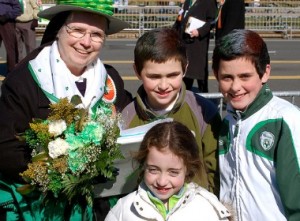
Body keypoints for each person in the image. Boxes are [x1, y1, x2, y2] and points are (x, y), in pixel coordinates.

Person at [0, 0, 132, 220]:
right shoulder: (24, 80)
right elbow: (6, 150)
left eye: (96, 34)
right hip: (42, 207)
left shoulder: (111, 79)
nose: (86, 42)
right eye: (77, 31)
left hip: (100, 206)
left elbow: (129, 122)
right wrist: (59, 169)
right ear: (59, 31)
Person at [212, 29, 300, 220]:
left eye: (245, 77)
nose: (235, 87)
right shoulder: (227, 122)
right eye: (227, 77)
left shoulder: (285, 120)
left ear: (265, 72)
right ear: (216, 75)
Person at [120, 28, 221, 195]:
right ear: (137, 71)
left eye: (173, 75)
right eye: (154, 77)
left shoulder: (204, 112)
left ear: (185, 68)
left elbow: (215, 172)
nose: (164, 85)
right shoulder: (127, 117)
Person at [105, 121, 232, 221]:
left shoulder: (207, 210)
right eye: (153, 170)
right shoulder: (124, 210)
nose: (162, 181)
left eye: (173, 172)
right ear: (143, 165)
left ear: (188, 168)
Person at [173, 0, 216, 92]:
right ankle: (185, 97)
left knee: (200, 74)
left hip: (198, 44)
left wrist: (199, 31)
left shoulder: (209, 2)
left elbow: (212, 21)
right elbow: (181, 19)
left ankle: (205, 98)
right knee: (186, 73)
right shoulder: (188, 1)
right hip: (184, 42)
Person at [0, 0, 22, 74]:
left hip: (6, 22)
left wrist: (7, 16)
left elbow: (18, 10)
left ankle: (11, 72)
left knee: (10, 48)